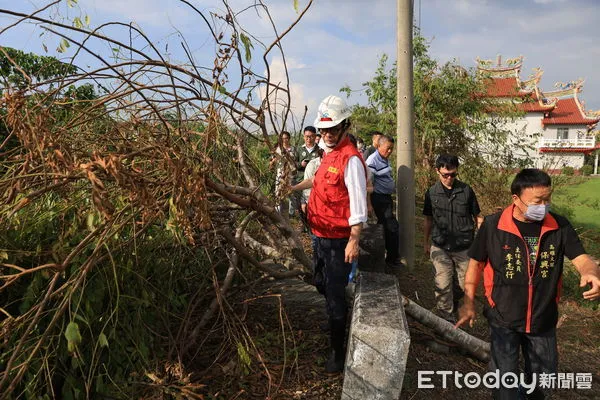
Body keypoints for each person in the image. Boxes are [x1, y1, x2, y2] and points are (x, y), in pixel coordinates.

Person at [456, 168, 600, 399]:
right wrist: (468, 301)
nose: (543, 206)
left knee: (542, 384)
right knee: (505, 386)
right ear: (516, 199)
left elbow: (582, 259)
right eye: (537, 201)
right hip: (504, 317)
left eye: (547, 199)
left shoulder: (559, 226)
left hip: (543, 319)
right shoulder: (494, 226)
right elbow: (475, 265)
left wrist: (592, 273)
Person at [292, 95, 367, 374]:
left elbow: (359, 205)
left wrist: (354, 240)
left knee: (336, 295)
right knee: (321, 282)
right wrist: (293, 188)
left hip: (338, 240)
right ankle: (334, 316)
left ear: (344, 126)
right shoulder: (326, 153)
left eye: (332, 129)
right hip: (319, 235)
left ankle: (337, 350)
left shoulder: (351, 160)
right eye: (323, 130)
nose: (327, 134)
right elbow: (317, 180)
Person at [423, 154, 483, 322]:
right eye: (445, 175)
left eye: (453, 174)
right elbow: (428, 219)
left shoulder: (466, 191)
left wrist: (481, 241)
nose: (449, 178)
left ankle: (453, 302)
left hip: (464, 247)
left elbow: (478, 217)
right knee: (442, 285)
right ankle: (445, 321)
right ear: (437, 171)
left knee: (465, 286)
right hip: (440, 246)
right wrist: (426, 243)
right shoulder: (431, 193)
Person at [365, 135, 400, 267]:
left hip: (385, 198)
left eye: (392, 149)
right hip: (378, 199)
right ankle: (392, 259)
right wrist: (369, 204)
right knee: (391, 227)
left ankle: (385, 256)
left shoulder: (384, 159)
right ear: (379, 146)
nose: (390, 151)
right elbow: (368, 184)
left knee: (385, 227)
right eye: (387, 148)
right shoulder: (372, 161)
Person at [295, 126, 320, 215]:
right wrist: (300, 165)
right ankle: (303, 225)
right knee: (301, 206)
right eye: (306, 136)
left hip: (315, 182)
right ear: (303, 136)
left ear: (315, 136)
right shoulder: (299, 149)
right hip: (300, 181)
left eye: (311, 136)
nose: (308, 139)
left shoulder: (320, 150)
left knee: (313, 206)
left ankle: (312, 226)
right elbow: (292, 165)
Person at [269, 131, 295, 216]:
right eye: (283, 138)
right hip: (280, 173)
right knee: (278, 192)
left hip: (290, 174)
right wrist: (273, 161)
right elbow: (272, 161)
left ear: (289, 138)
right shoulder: (277, 149)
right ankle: (278, 212)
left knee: (290, 192)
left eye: (286, 138)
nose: (285, 140)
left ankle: (292, 213)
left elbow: (295, 161)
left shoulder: (293, 149)